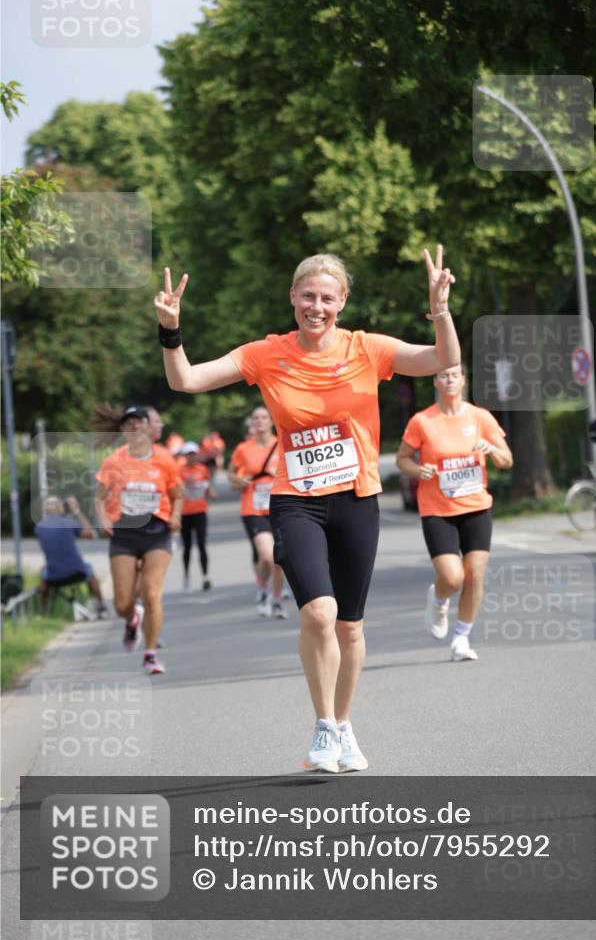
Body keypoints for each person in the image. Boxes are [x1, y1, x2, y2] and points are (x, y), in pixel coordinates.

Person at [154, 247, 459, 771]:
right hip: (296, 499)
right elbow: (185, 380)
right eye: (308, 296)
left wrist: (440, 309)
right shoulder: (265, 354)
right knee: (319, 612)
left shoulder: (367, 348)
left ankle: (344, 725)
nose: (316, 307)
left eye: (327, 298)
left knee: (350, 627)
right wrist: (170, 330)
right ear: (293, 296)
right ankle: (322, 726)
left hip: (356, 497)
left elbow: (442, 360)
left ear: (342, 302)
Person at [396, 364, 513, 661]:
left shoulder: (480, 417)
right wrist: (418, 470)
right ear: (435, 381)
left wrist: (491, 449)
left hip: (476, 507)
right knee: (452, 577)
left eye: (455, 375)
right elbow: (402, 459)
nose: (450, 380)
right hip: (437, 509)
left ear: (463, 380)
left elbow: (506, 460)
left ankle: (461, 637)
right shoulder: (422, 421)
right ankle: (438, 599)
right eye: (444, 375)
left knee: (475, 575)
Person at [93, 405, 183, 675]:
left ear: (147, 426)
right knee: (122, 603)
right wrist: (102, 518)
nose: (133, 427)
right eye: (128, 423)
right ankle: (133, 618)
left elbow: (178, 494)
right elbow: (98, 497)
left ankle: (150, 654)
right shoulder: (113, 461)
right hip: (124, 534)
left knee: (151, 593)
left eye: (138, 422)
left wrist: (176, 515)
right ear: (122, 430)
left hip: (157, 533)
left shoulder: (164, 458)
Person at [228, 406, 286, 618]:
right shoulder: (243, 449)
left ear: (271, 421)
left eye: (263, 417)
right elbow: (230, 473)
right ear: (252, 424)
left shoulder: (282, 444)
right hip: (253, 509)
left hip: (280, 507)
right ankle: (263, 589)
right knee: (268, 557)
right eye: (255, 418)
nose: (259, 421)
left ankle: (277, 598)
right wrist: (239, 481)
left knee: (280, 560)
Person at [36, 495, 107, 617]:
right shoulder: (69, 522)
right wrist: (77, 511)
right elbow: (90, 533)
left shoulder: (39, 527)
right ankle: (101, 607)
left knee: (43, 574)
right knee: (90, 571)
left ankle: (43, 611)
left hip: (53, 576)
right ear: (60, 508)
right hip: (77, 572)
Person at [179, 440, 216, 591]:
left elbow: (207, 486)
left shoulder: (202, 469)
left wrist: (211, 493)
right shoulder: (179, 471)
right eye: (188, 454)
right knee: (187, 546)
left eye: (193, 454)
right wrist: (185, 485)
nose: (191, 457)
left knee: (202, 544)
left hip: (200, 511)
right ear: (184, 456)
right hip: (185, 512)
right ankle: (186, 576)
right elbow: (175, 490)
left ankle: (205, 576)